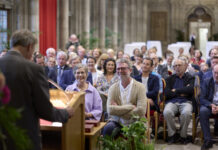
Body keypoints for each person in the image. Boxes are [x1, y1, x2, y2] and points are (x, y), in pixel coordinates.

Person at [0, 29, 74, 150]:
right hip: (24, 137)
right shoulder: (33, 69)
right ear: (29, 47)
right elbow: (45, 110)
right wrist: (66, 113)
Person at [102, 58, 147, 137]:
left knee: (138, 131)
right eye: (118, 69)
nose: (120, 71)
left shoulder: (140, 87)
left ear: (130, 70)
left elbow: (141, 110)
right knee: (108, 129)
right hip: (117, 121)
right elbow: (109, 110)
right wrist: (130, 107)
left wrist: (118, 109)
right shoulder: (113, 88)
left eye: (123, 68)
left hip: (135, 120)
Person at [163, 58, 195, 144]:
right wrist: (182, 91)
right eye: (175, 66)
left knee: (186, 113)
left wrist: (176, 91)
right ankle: (172, 135)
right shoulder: (169, 78)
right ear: (173, 68)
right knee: (167, 112)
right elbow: (167, 93)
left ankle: (183, 135)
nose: (177, 67)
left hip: (186, 101)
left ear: (184, 66)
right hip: (172, 102)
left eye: (179, 65)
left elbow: (190, 90)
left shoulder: (190, 77)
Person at [200, 64, 218, 150]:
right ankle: (208, 140)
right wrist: (211, 105)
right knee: (203, 111)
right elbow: (202, 98)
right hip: (209, 104)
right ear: (212, 72)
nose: (217, 75)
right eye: (215, 73)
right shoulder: (207, 81)